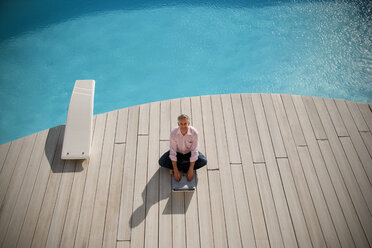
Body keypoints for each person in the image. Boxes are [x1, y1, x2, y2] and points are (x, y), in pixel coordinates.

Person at [159, 114, 207, 182]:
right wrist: (176, 170)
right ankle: (183, 167)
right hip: (177, 153)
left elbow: (194, 151)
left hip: (189, 153)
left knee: (203, 161)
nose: (183, 126)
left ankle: (181, 166)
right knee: (161, 161)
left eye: (185, 123)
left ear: (189, 124)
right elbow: (172, 152)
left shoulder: (194, 133)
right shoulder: (173, 133)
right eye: (181, 124)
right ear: (178, 124)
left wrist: (190, 169)